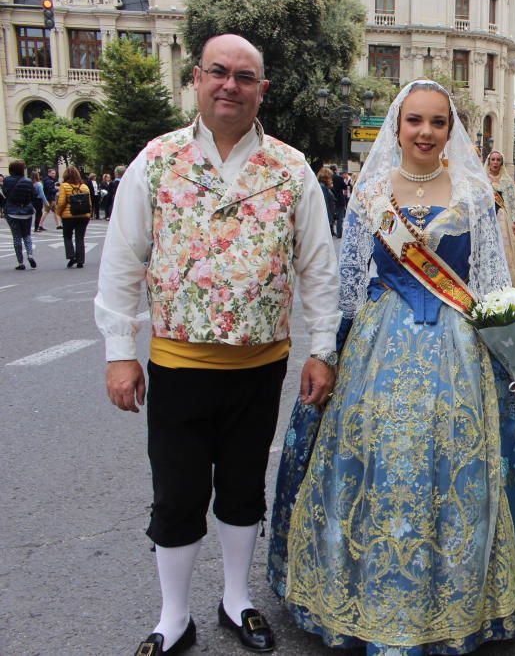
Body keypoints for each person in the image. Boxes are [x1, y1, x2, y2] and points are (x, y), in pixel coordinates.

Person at [94, 33, 341, 656]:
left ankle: (237, 600)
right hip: (178, 365)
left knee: (241, 487)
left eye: (245, 76)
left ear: (262, 89)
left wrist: (322, 348)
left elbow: (318, 266)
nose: (230, 84)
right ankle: (173, 616)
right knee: (176, 493)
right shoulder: (157, 159)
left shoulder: (291, 168)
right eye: (219, 73)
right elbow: (123, 261)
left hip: (261, 366)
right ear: (197, 79)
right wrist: (120, 350)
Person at [269, 80, 515, 656]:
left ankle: (454, 593)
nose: (425, 132)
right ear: (396, 126)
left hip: (458, 343)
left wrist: (511, 350)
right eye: (415, 120)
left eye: (438, 122)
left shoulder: (473, 192)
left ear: (450, 131)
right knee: (375, 459)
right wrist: (329, 351)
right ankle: (368, 589)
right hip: (380, 339)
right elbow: (347, 283)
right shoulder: (369, 193)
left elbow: (489, 285)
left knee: (454, 459)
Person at [485, 150, 515, 285]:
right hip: (487, 218)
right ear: (489, 161)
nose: (495, 162)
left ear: (501, 163)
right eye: (493, 159)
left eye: (498, 160)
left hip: (503, 219)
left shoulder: (507, 181)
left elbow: (513, 202)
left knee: (504, 248)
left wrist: (514, 222)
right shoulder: (482, 178)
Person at [2, 160, 38, 270]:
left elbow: (5, 193)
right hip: (27, 211)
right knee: (27, 235)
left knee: (16, 236)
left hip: (12, 211)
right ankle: (30, 254)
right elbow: (33, 195)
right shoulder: (28, 181)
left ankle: (20, 262)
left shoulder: (7, 180)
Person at [54, 166, 92, 268]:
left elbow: (61, 202)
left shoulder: (64, 186)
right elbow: (89, 203)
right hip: (83, 216)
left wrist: (58, 212)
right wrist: (89, 214)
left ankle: (71, 256)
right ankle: (80, 261)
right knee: (80, 238)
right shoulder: (84, 186)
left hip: (68, 216)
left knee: (67, 236)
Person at [316, 166, 339, 237]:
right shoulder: (322, 187)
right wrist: (329, 220)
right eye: (330, 177)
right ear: (326, 177)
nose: (331, 179)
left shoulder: (322, 186)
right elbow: (325, 204)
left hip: (326, 218)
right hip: (325, 219)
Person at [329, 164, 348, 238]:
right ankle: (339, 233)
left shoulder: (329, 178)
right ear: (335, 169)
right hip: (339, 200)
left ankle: (331, 232)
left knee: (332, 216)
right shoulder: (338, 178)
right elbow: (344, 187)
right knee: (340, 217)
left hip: (331, 200)